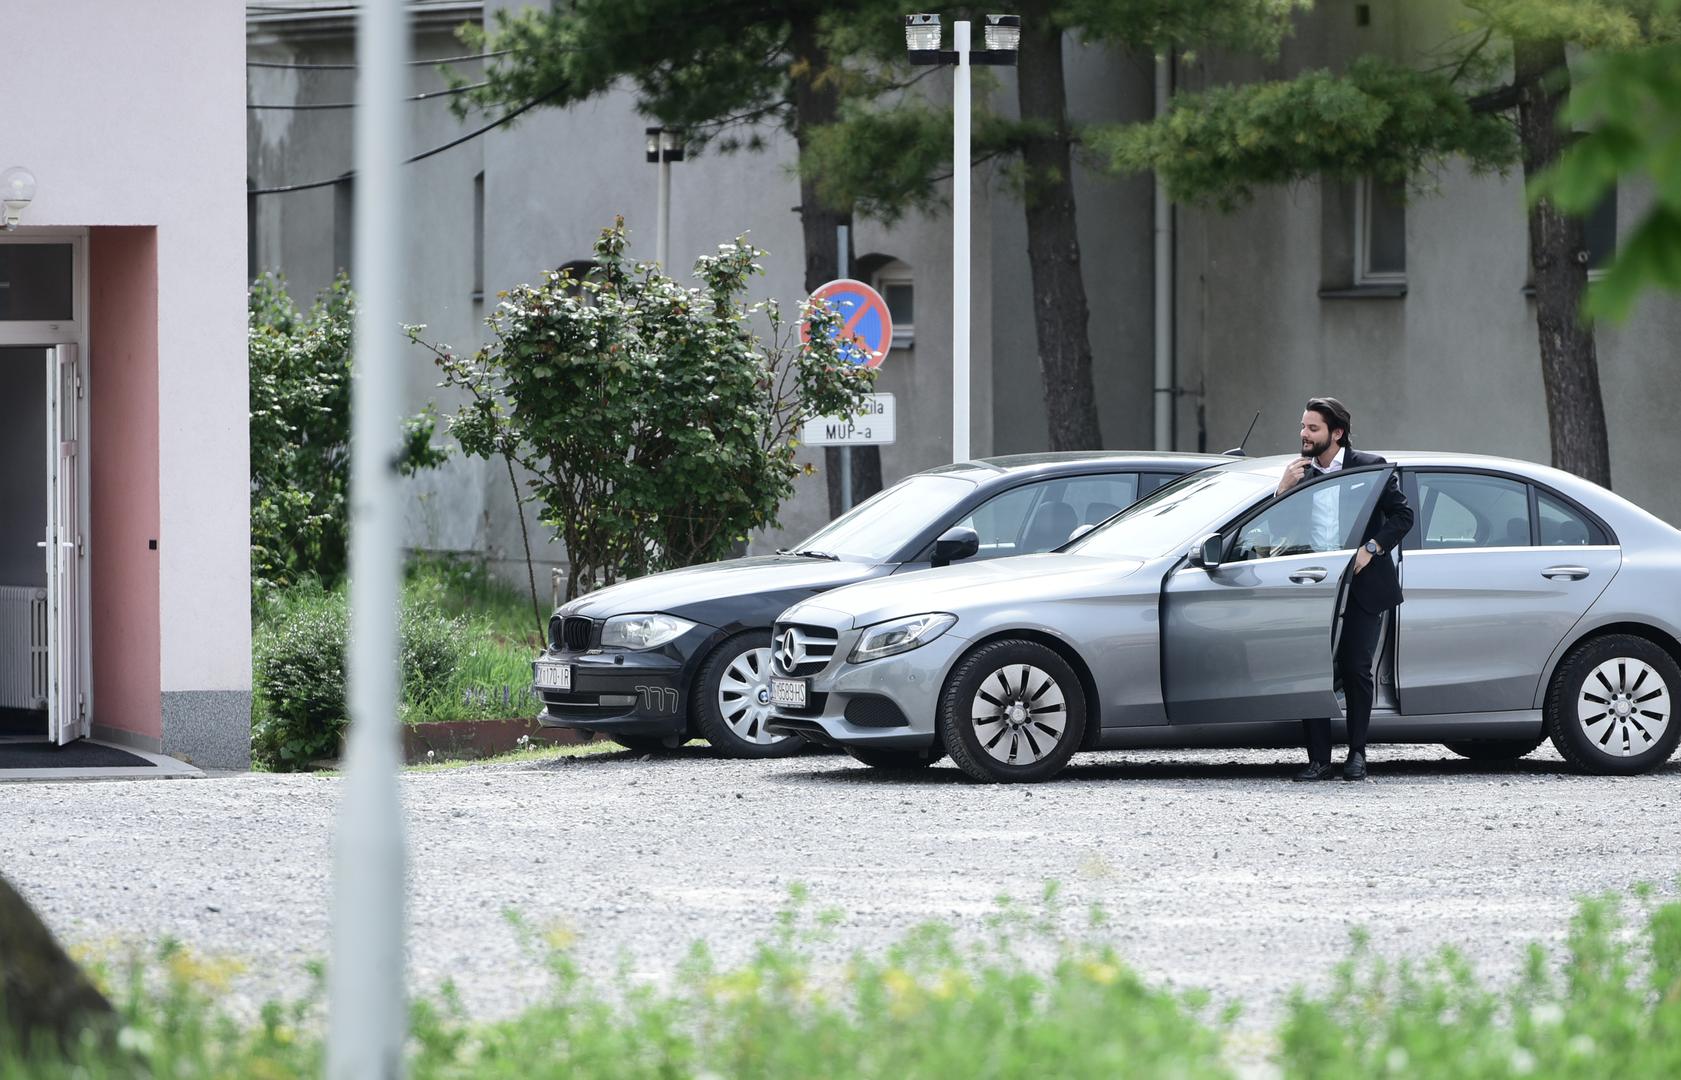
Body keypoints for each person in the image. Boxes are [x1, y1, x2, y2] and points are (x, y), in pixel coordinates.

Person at [1278, 397, 1414, 782]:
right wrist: (1281, 490)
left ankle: (1357, 754)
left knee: (1356, 669)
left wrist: (1371, 548)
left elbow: (1404, 516)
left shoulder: (1371, 468)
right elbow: (1277, 524)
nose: (1303, 435)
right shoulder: (1297, 474)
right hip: (1313, 585)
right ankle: (1319, 759)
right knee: (1313, 668)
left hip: (1363, 584)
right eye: (1303, 427)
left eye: (1312, 428)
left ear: (1336, 434)